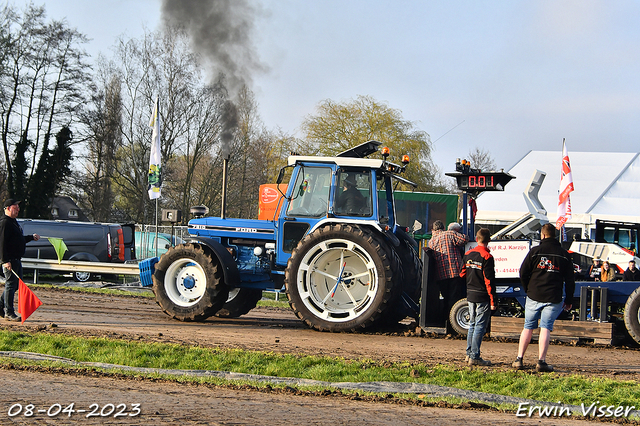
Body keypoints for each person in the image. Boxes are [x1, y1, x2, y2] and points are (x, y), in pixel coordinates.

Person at [512, 223, 574, 373]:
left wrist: (527, 288)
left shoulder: (534, 252)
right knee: (545, 328)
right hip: (553, 297)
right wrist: (569, 300)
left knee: (528, 327)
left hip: (534, 295)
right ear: (554, 235)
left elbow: (522, 272)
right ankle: (541, 361)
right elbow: (570, 280)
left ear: (543, 235)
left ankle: (519, 359)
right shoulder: (564, 255)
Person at [460, 228, 496, 366]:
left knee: (472, 324)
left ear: (476, 239)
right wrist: (493, 300)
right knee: (480, 326)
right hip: (482, 296)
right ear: (489, 240)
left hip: (470, 294)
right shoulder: (487, 257)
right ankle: (475, 356)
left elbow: (462, 273)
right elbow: (489, 281)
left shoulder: (468, 254)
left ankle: (469, 354)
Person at [0, 199, 40, 321]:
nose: (18, 209)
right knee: (11, 285)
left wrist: (31, 238)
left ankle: (1, 305)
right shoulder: (4, 223)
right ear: (7, 208)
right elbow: (1, 243)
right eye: (15, 207)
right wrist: (5, 260)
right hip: (10, 260)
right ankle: (9, 312)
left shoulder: (13, 222)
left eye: (18, 207)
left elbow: (18, 239)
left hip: (16, 259)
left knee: (15, 285)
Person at [428, 220, 469, 322]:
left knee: (446, 298)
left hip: (441, 276)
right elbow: (465, 239)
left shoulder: (431, 241)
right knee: (455, 299)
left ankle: (446, 320)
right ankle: (454, 321)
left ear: (433, 230)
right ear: (443, 227)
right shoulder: (450, 234)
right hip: (455, 272)